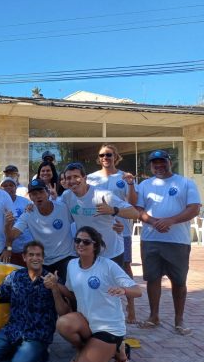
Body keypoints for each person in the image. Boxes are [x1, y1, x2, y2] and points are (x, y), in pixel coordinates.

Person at [55, 226, 142, 362]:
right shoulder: (72, 265)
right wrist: (55, 285)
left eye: (86, 242)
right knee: (63, 323)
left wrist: (124, 290)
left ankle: (119, 347)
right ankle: (84, 349)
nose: (80, 244)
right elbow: (72, 294)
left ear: (95, 245)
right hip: (87, 323)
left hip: (109, 328)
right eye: (77, 241)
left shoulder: (108, 265)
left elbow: (138, 291)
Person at [135, 150, 201, 335]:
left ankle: (179, 320)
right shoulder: (145, 185)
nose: (159, 166)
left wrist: (170, 220)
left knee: (179, 281)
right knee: (152, 279)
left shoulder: (186, 183)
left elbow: (194, 208)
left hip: (177, 241)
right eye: (154, 163)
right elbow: (138, 210)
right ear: (150, 165)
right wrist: (153, 222)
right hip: (150, 239)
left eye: (162, 162)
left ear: (169, 162)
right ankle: (153, 316)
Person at [0, 241, 69, 362]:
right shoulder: (15, 276)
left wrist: (55, 288)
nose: (35, 258)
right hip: (13, 330)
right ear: (24, 257)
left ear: (43, 258)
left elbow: (63, 312)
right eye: (31, 255)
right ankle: (20, 351)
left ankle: (41, 353)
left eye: (38, 255)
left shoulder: (51, 279)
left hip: (37, 335)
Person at [87, 144, 138, 323]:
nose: (105, 158)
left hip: (120, 231)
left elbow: (133, 203)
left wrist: (131, 185)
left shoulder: (124, 177)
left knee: (124, 269)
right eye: (102, 155)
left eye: (109, 155)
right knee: (97, 269)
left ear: (116, 156)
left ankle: (131, 308)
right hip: (97, 232)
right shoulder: (90, 178)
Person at [61, 162, 139, 266]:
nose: (72, 181)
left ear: (85, 178)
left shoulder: (103, 195)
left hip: (111, 253)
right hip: (88, 254)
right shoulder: (67, 196)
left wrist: (113, 210)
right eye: (69, 178)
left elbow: (135, 213)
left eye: (76, 177)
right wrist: (32, 207)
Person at [5, 179, 76, 281]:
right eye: (34, 194)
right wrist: (7, 224)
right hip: (44, 262)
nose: (38, 196)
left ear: (47, 193)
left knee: (69, 293)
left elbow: (81, 219)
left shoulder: (63, 207)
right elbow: (12, 236)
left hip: (66, 258)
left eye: (41, 192)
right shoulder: (28, 214)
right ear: (30, 197)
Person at [0, 177, 33, 266]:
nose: (8, 188)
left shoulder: (26, 202)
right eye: (5, 186)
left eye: (11, 185)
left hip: (27, 247)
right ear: (0, 189)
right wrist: (7, 248)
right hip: (9, 249)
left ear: (16, 188)